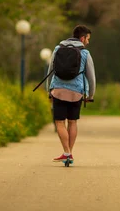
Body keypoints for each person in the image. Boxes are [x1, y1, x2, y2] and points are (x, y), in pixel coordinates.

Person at [46, 25, 96, 164]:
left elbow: (50, 71)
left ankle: (66, 152)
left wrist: (49, 90)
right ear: (82, 38)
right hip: (77, 92)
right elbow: (91, 77)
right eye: (88, 38)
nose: (88, 42)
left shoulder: (57, 49)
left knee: (60, 123)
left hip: (58, 91)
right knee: (73, 122)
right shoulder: (85, 53)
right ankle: (69, 153)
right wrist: (90, 95)